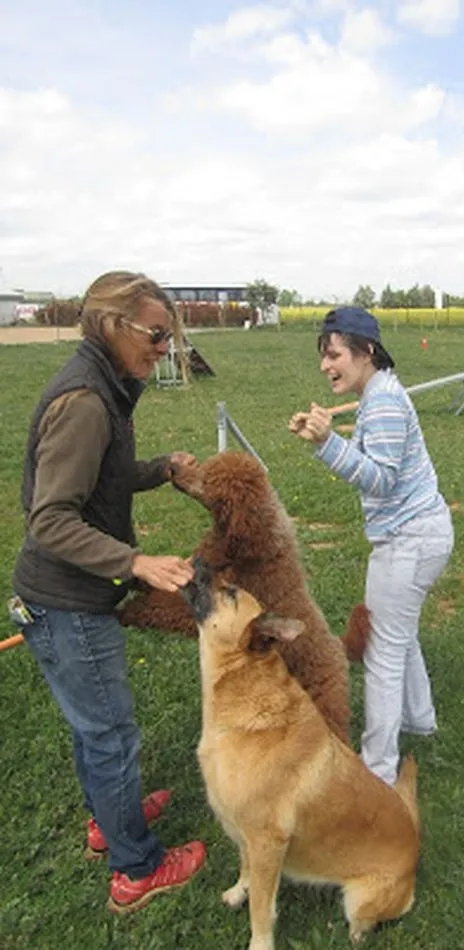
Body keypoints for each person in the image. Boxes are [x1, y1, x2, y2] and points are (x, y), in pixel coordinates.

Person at [10, 270, 205, 913]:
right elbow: (51, 518)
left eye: (168, 337)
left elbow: (104, 477)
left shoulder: (105, 388)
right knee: (111, 735)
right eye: (155, 335)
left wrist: (161, 468)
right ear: (111, 325)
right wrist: (135, 562)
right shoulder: (87, 403)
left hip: (66, 599)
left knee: (93, 728)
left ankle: (109, 818)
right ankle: (137, 869)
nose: (164, 348)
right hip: (68, 604)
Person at [289, 307, 454, 786]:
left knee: (382, 648)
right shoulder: (380, 394)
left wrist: (327, 444)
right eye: (324, 356)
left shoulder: (381, 402)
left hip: (409, 540)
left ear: (366, 352)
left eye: (334, 354)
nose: (325, 365)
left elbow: (381, 479)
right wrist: (328, 433)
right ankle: (419, 719)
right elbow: (379, 458)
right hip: (420, 535)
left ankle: (376, 772)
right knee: (399, 633)